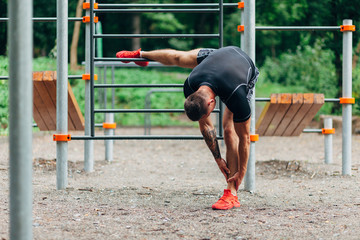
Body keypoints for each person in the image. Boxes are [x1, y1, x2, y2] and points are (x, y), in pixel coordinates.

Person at [116, 46, 259, 210]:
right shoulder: (191, 85)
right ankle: (141, 54)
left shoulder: (236, 95)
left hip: (241, 67)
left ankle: (231, 193)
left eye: (206, 114)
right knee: (179, 58)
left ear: (211, 103)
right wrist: (218, 158)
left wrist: (241, 172)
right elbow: (206, 126)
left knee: (228, 129)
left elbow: (245, 139)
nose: (206, 118)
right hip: (217, 57)